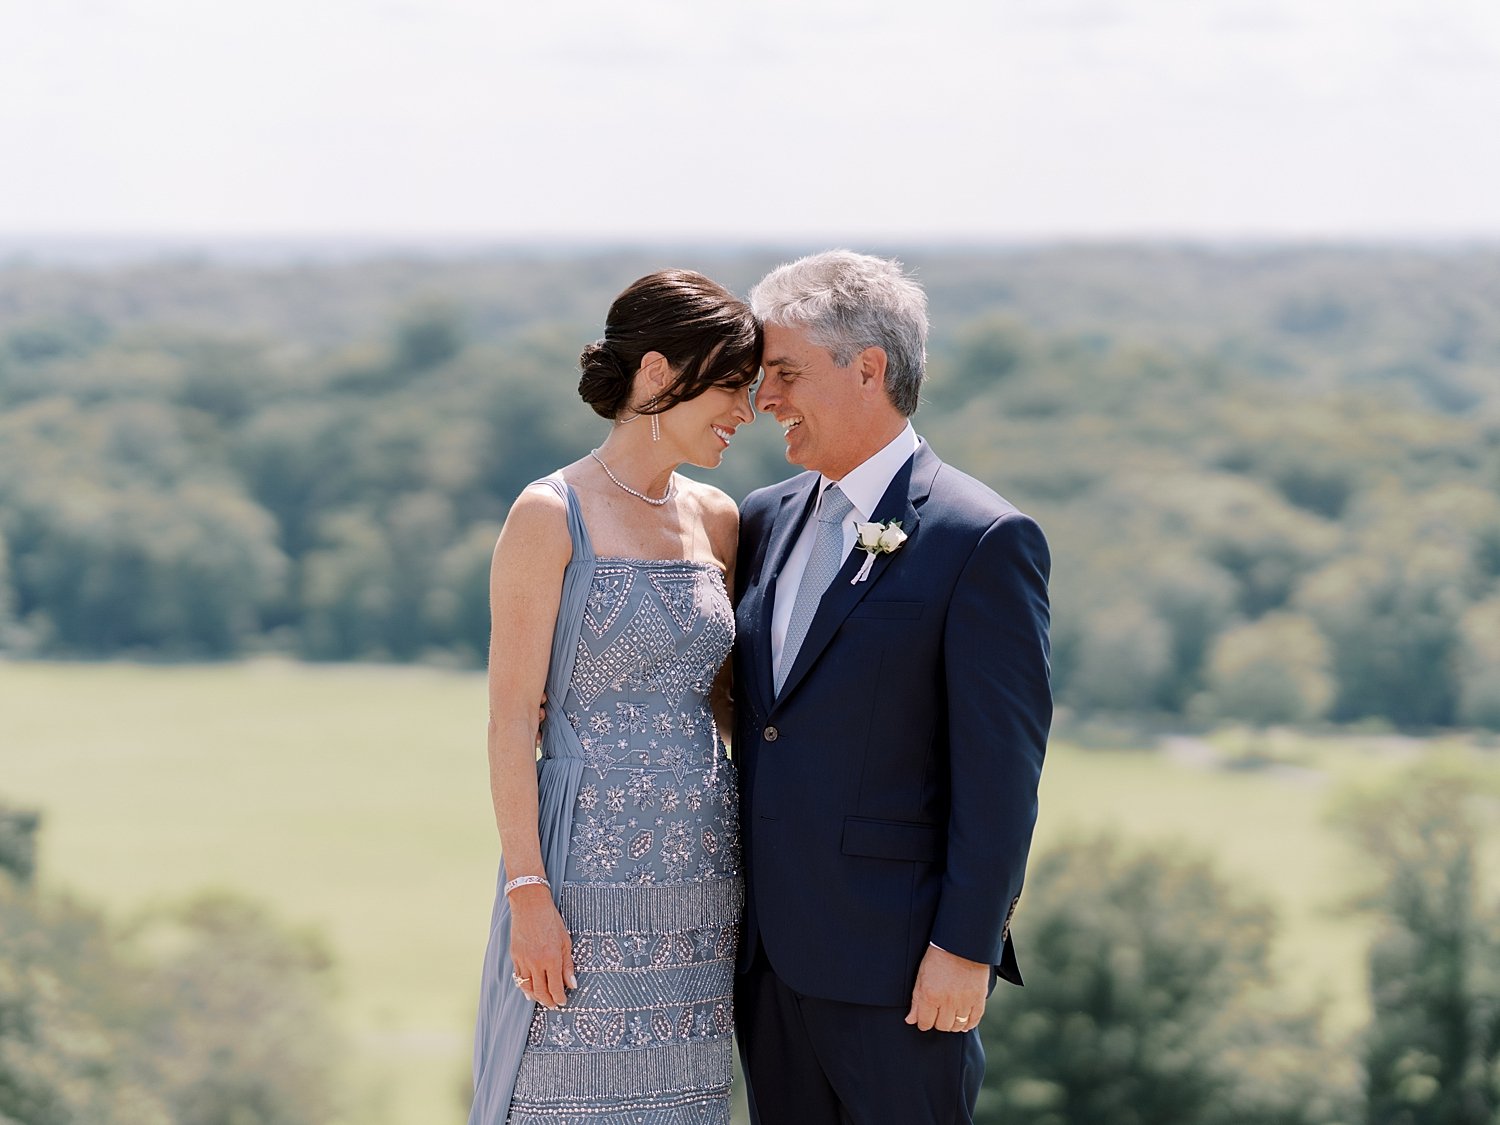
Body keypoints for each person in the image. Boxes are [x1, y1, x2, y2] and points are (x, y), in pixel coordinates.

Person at [731, 250, 1052, 1124]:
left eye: (785, 373)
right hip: (764, 966)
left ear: (868, 367)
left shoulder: (982, 539)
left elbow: (1002, 774)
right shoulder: (759, 518)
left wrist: (964, 947)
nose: (766, 400)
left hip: (901, 970)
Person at [468, 269, 759, 1124]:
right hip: (581, 874)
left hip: (703, 878)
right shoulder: (548, 513)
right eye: (733, 388)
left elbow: (729, 701)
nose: (746, 413)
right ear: (660, 373)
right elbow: (511, 717)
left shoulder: (719, 519)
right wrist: (529, 892)